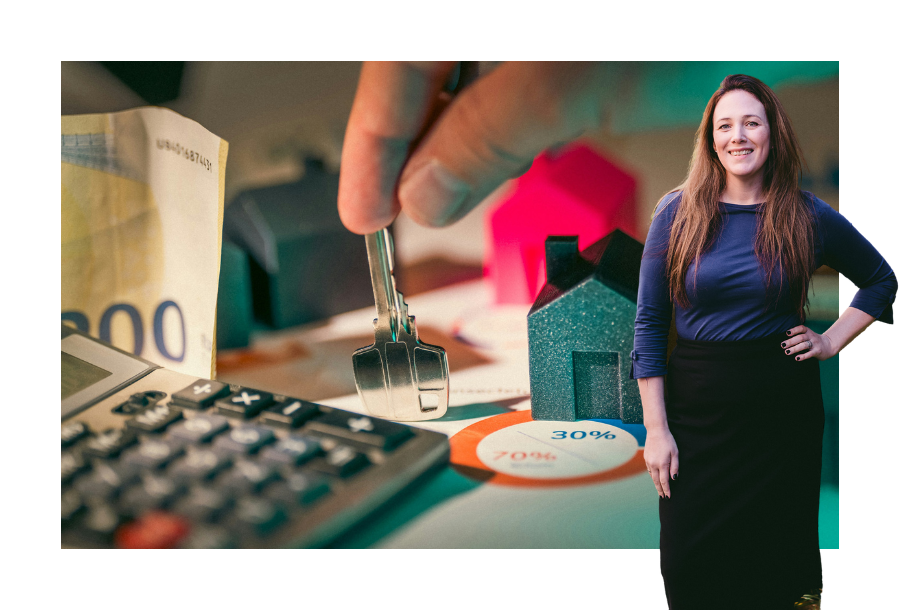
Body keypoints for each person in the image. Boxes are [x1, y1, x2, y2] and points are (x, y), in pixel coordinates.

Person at [631, 74, 897, 609]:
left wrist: (829, 341)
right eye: (725, 125)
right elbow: (649, 325)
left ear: (773, 132)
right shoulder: (675, 214)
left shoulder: (805, 214)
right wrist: (656, 431)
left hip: (782, 416)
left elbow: (880, 280)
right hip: (696, 416)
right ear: (710, 140)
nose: (738, 136)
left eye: (751, 122)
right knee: (690, 565)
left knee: (777, 563)